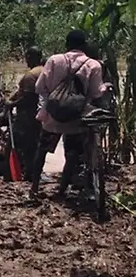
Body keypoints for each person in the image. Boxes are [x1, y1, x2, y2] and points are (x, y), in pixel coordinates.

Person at [30, 30, 106, 198]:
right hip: (76, 119)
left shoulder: (54, 60)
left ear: (66, 44)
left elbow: (39, 87)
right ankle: (61, 190)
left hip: (52, 116)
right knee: (72, 155)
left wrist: (52, 97)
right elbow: (96, 93)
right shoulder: (93, 65)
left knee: (42, 150)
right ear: (84, 45)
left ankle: (34, 188)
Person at [7, 47, 45, 180]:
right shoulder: (44, 71)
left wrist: (12, 104)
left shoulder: (30, 75)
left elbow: (28, 98)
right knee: (34, 145)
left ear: (30, 57)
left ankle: (18, 173)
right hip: (41, 115)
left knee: (18, 144)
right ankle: (33, 172)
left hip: (27, 116)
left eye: (27, 57)